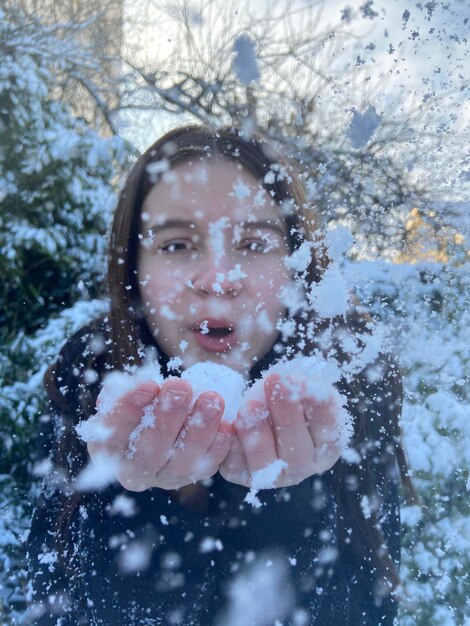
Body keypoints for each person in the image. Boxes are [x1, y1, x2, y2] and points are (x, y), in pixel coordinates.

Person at [27, 125, 414, 626]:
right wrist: (150, 505)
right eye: (175, 244)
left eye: (254, 244)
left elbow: (373, 607)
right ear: (134, 273)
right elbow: (48, 602)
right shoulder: (90, 380)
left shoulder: (353, 379)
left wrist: (286, 500)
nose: (217, 279)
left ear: (295, 264)